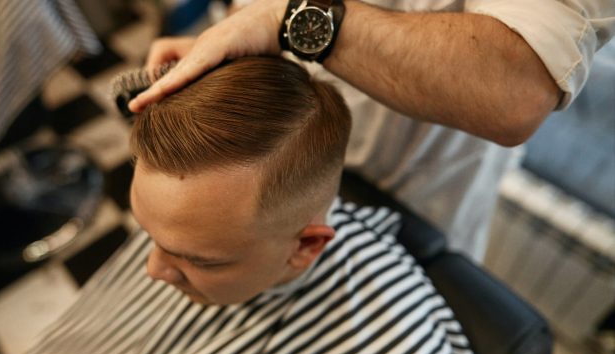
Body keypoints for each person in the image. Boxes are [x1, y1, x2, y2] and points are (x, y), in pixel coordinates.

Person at [0, 57, 483, 354]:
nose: (153, 270)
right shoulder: (201, 229)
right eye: (149, 233)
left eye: (199, 260)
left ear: (306, 246)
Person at [127, 0, 615, 261]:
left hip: (411, 195)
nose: (153, 270)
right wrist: (233, 31)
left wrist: (290, 19)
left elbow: (513, 87)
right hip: (261, 207)